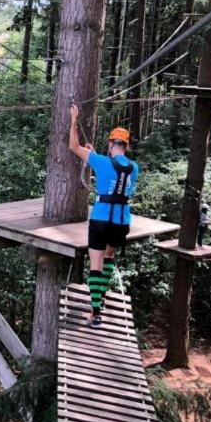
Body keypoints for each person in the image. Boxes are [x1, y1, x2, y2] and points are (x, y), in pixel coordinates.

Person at [68, 104, 140, 328]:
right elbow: (117, 177)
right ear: (125, 147)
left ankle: (96, 312)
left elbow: (73, 146)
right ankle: (101, 297)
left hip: (100, 218)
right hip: (121, 221)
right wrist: (96, 156)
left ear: (111, 144)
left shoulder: (101, 161)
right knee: (108, 258)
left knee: (95, 265)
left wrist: (74, 119)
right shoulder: (134, 167)